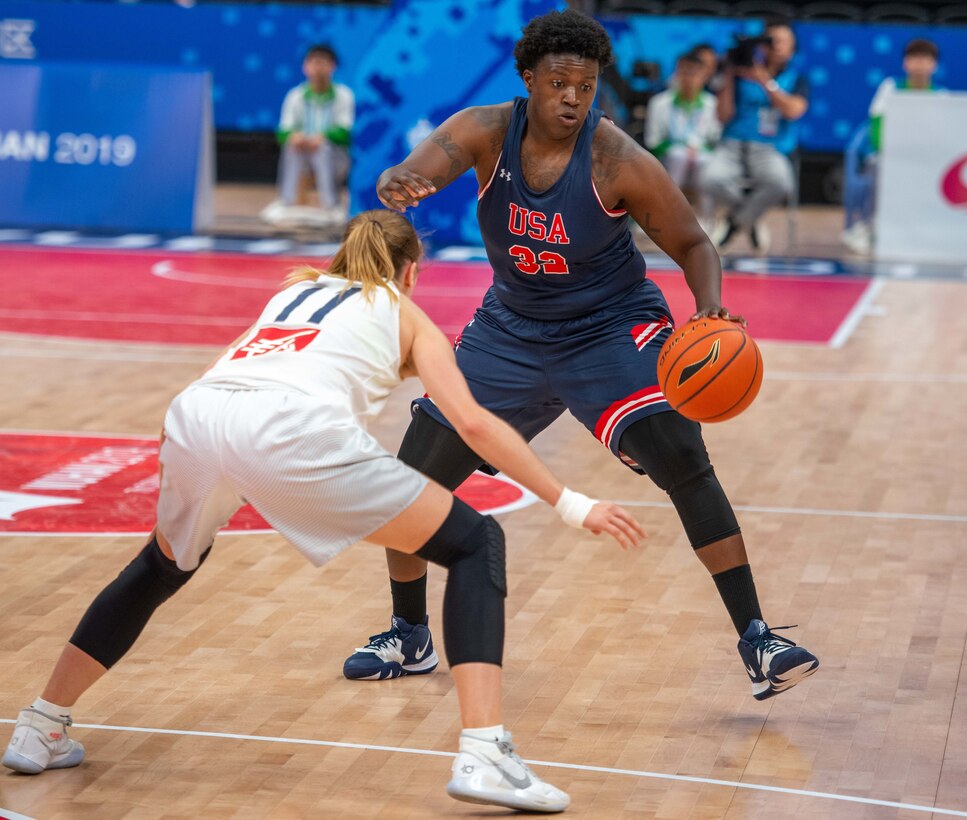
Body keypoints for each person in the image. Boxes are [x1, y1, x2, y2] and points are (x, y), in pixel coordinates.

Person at [0, 210, 647, 813]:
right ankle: (484, 755)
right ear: (410, 271)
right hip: (289, 428)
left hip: (198, 413)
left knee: (160, 567)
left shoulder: (293, 294)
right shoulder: (405, 312)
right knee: (475, 543)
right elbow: (473, 423)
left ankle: (39, 726)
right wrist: (569, 501)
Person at [343, 9, 819, 704]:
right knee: (412, 477)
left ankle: (756, 636)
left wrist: (707, 305)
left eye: (587, 85)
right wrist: (404, 181)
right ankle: (408, 634)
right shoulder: (484, 131)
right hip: (509, 329)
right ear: (528, 79)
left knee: (679, 454)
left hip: (610, 327)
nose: (573, 96)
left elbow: (691, 243)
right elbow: (426, 163)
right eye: (560, 82)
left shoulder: (616, 160)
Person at [701, 22, 809, 253]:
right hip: (732, 144)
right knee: (709, 178)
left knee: (781, 183)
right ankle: (751, 217)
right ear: (762, 45)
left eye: (783, 42)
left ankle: (735, 221)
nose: (777, 47)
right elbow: (722, 116)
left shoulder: (797, 79)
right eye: (772, 41)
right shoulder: (739, 74)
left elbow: (793, 110)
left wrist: (763, 81)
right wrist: (729, 75)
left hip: (770, 147)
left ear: (792, 49)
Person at [842, 38, 943, 254]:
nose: (919, 64)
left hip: (924, 160)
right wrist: (889, 151)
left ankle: (928, 232)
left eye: (925, 59)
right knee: (878, 169)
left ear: (934, 65)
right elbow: (876, 124)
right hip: (887, 155)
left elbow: (942, 135)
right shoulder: (890, 88)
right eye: (914, 58)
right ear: (905, 63)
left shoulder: (941, 96)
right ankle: (867, 227)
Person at [260, 43, 354, 227]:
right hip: (302, 155)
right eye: (314, 63)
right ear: (305, 67)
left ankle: (331, 205)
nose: (318, 68)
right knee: (291, 146)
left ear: (332, 67)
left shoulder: (344, 95)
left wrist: (322, 137)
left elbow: (345, 132)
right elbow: (283, 131)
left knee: (322, 147)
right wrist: (296, 137)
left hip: (335, 158)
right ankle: (285, 201)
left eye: (323, 63)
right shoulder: (295, 95)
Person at [644, 52, 721, 222]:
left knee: (705, 162)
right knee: (679, 156)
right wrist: (679, 148)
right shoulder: (659, 103)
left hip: (702, 157)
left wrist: (697, 149)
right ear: (677, 73)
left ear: (705, 76)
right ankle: (668, 216)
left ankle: (706, 219)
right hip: (670, 158)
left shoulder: (713, 105)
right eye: (685, 72)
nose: (689, 79)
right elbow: (652, 140)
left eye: (695, 74)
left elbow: (716, 141)